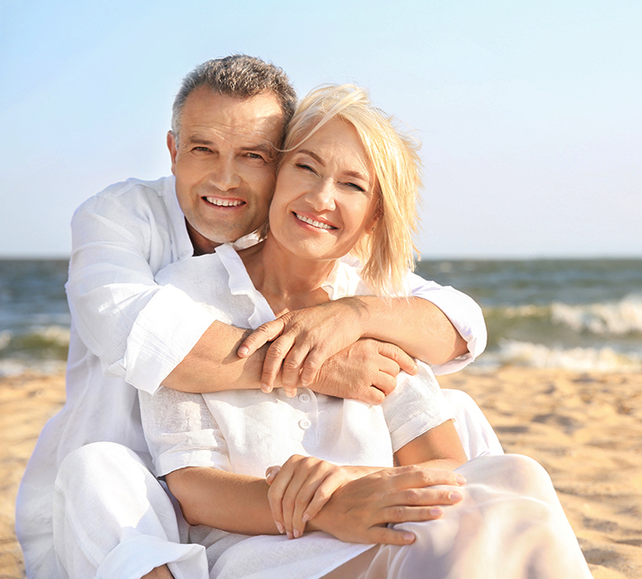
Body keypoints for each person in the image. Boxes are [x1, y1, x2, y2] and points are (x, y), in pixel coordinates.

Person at [16, 56, 500, 579]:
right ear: (174, 151)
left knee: (471, 431)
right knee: (98, 470)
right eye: (203, 149)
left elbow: (458, 321)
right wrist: (320, 363)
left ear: (276, 164)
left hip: (259, 501)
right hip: (135, 503)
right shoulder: (119, 219)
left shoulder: (307, 242)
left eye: (252, 155)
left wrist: (355, 314)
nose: (226, 177)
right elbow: (140, 335)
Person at [139, 83, 591, 578]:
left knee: (517, 478)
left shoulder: (374, 306)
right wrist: (321, 505)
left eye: (352, 185)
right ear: (275, 175)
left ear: (375, 216)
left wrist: (353, 481)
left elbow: (446, 464)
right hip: (266, 548)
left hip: (384, 528)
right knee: (499, 510)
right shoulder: (185, 292)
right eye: (305, 167)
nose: (321, 197)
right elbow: (192, 487)